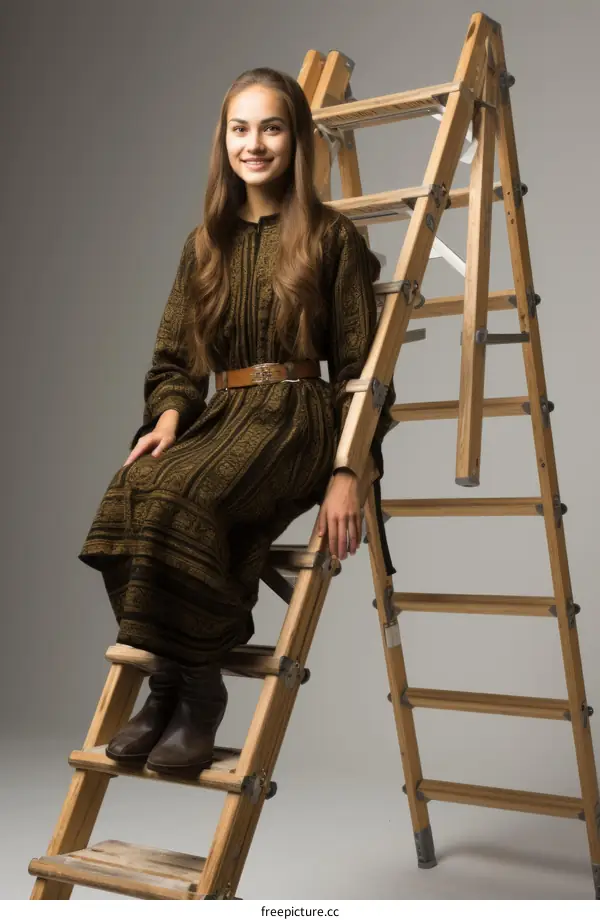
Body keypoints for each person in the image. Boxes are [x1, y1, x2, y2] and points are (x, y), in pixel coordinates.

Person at [78, 66, 396, 777]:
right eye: (240, 128)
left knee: (183, 503)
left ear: (297, 138)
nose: (254, 144)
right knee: (129, 495)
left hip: (301, 417)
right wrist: (166, 419)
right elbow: (175, 358)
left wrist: (351, 469)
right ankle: (171, 684)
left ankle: (196, 697)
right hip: (225, 413)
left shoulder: (332, 237)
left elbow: (361, 372)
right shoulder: (205, 244)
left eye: (272, 127)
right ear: (223, 141)